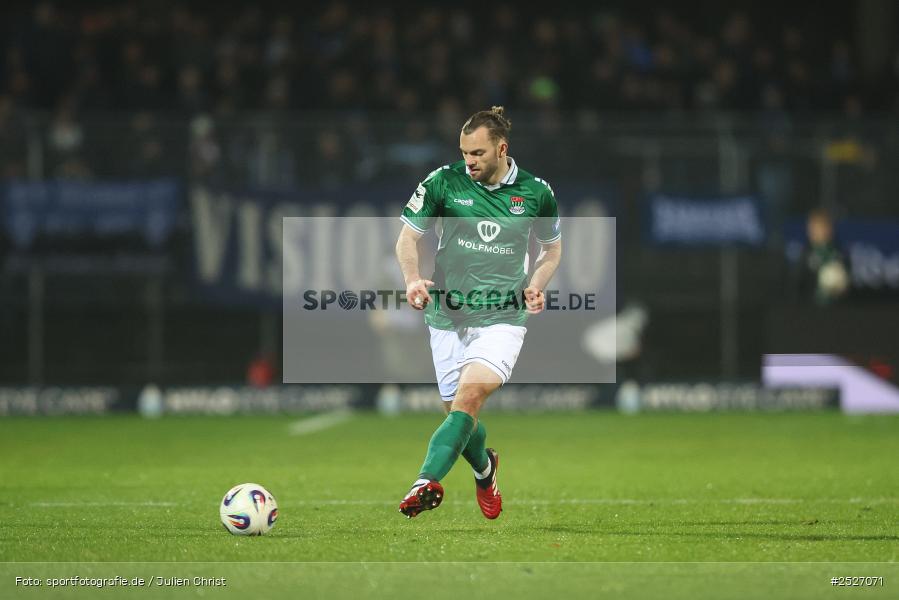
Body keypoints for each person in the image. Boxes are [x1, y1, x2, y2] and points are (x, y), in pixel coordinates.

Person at [394, 107, 562, 519]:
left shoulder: (535, 193)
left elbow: (551, 250)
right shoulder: (442, 182)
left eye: (477, 153)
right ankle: (486, 470)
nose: (468, 161)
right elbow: (407, 239)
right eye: (464, 152)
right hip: (446, 314)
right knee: (457, 414)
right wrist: (413, 279)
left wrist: (535, 287)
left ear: (501, 149)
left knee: (469, 398)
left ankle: (424, 482)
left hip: (502, 317)